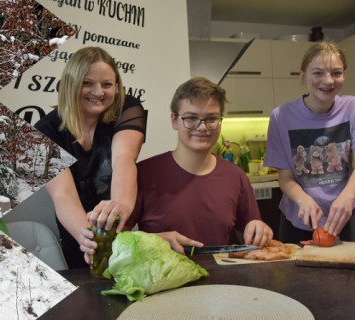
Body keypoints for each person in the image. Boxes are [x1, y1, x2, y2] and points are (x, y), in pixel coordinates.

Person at [123, 77, 272, 254]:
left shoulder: (235, 176)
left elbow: (252, 229)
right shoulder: (144, 173)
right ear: (174, 120)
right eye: (191, 118)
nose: (202, 127)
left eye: (211, 119)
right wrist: (155, 241)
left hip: (222, 280)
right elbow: (116, 239)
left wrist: (259, 229)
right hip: (163, 280)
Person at [35, 46, 146, 268]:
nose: (99, 92)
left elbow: (123, 157)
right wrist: (89, 239)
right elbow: (63, 194)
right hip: (76, 235)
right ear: (71, 84)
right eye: (87, 83)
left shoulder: (128, 108)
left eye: (107, 84)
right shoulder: (45, 130)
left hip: (121, 228)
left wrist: (121, 204)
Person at [264, 41, 355, 243]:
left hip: (344, 216)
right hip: (298, 220)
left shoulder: (352, 108)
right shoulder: (282, 117)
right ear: (303, 77)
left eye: (337, 73)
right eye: (318, 73)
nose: (328, 80)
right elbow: (285, 177)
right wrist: (303, 199)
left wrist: (349, 196)